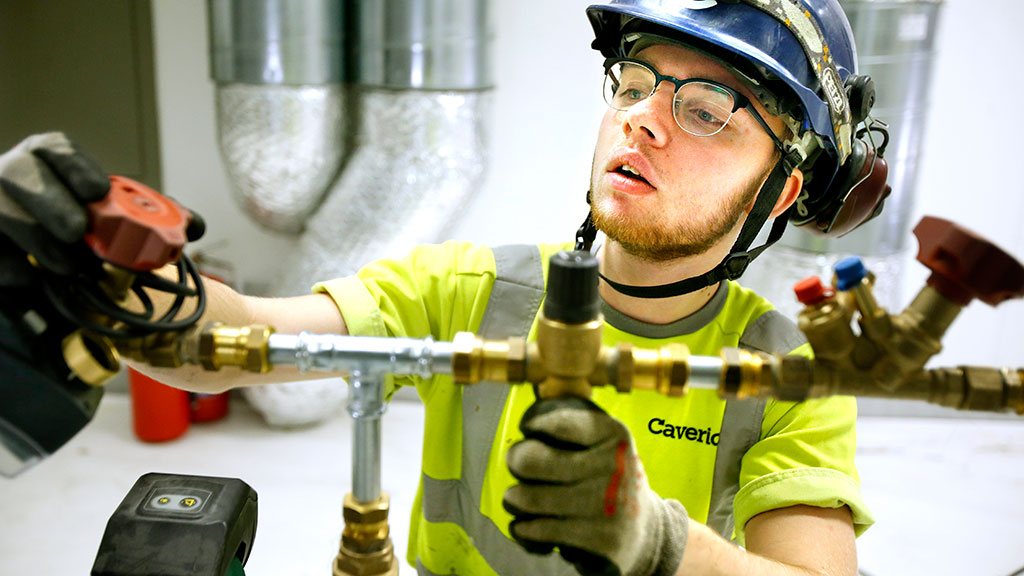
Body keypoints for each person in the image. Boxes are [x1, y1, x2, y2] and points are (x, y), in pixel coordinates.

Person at [0, 1, 880, 574]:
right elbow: (235, 344)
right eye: (640, 81)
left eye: (707, 111)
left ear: (783, 189)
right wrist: (116, 276)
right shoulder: (475, 289)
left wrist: (658, 540)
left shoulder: (788, 370)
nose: (644, 116)